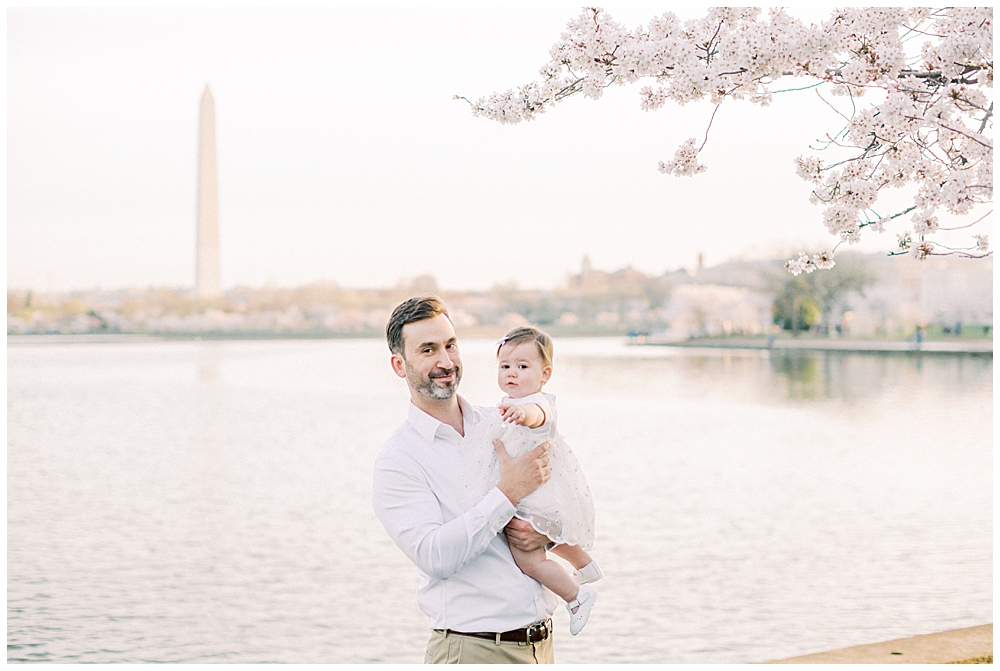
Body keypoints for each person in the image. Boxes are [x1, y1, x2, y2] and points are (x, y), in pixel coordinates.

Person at [372, 296, 559, 664]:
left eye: (450, 345)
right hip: (472, 650)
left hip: (540, 647)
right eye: (428, 350)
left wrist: (547, 532)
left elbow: (557, 499)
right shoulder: (398, 461)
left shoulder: (503, 423)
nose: (445, 361)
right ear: (399, 365)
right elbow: (435, 556)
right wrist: (507, 493)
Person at [461, 327, 601, 636]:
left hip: (536, 494)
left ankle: (576, 596)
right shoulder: (511, 403)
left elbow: (536, 415)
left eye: (523, 367)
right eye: (505, 366)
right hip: (539, 492)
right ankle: (585, 564)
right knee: (550, 533)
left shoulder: (538, 404)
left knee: (529, 557)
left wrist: (521, 412)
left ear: (545, 374)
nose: (512, 373)